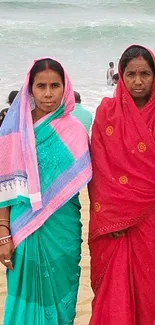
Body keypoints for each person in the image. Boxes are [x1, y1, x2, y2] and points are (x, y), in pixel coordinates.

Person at [0, 58, 92, 324]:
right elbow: (4, 183)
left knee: (63, 295)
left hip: (63, 228)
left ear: (65, 88)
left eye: (55, 85)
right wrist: (3, 232)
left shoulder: (73, 129)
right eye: (41, 86)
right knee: (25, 291)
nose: (48, 93)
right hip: (23, 226)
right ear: (30, 89)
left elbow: (84, 178)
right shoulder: (14, 129)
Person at [88, 45, 155, 325]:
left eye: (145, 74)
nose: (138, 82)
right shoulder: (106, 113)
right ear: (120, 76)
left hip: (152, 218)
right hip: (117, 223)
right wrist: (113, 218)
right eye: (131, 74)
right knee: (117, 296)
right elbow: (101, 169)